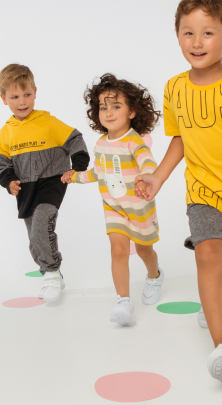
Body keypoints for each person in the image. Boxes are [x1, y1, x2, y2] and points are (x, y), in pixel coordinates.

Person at [135, 0, 222, 383]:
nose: (197, 42)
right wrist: (158, 177)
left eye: (208, 33)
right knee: (208, 255)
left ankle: (214, 298)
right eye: (188, 32)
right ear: (178, 36)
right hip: (202, 191)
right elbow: (180, 140)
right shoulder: (175, 88)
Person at [62, 73, 164, 326]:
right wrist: (75, 177)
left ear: (132, 111)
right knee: (118, 250)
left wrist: (147, 177)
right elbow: (98, 172)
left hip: (139, 207)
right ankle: (123, 301)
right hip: (114, 208)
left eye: (116, 107)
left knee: (144, 250)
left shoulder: (133, 141)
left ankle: (155, 275)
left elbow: (147, 162)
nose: (108, 113)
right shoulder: (100, 145)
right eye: (103, 107)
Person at [0, 63, 89, 303]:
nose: (22, 101)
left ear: (35, 92)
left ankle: (52, 274)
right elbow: (1, 164)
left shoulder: (48, 122)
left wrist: (77, 165)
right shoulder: (6, 133)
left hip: (52, 183)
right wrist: (9, 182)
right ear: (4, 99)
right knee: (35, 239)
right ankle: (50, 272)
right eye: (15, 97)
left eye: (27, 94)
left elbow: (75, 139)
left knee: (40, 228)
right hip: (26, 190)